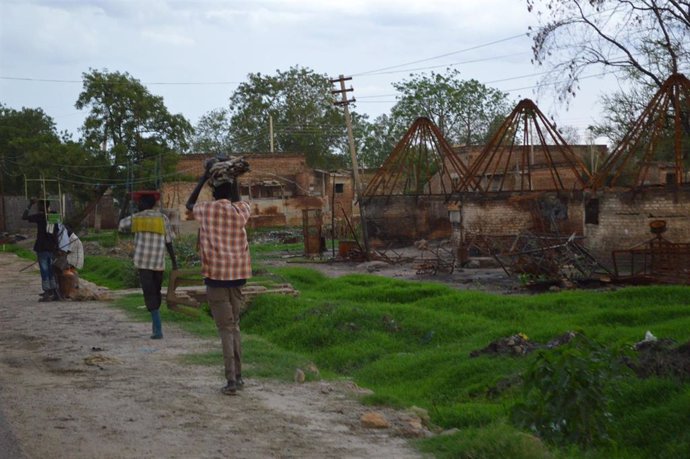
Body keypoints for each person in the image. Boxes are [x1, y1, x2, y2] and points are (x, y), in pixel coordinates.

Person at [186, 157, 251, 396]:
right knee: (235, 327)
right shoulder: (241, 211)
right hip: (238, 278)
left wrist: (204, 178)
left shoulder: (206, 211)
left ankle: (231, 380)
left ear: (213, 193)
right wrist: (234, 179)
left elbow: (189, 203)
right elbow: (238, 200)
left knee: (225, 328)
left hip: (215, 279)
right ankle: (240, 376)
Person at [118, 191, 178, 339]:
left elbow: (120, 225)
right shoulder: (163, 218)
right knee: (155, 294)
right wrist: (175, 263)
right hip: (158, 263)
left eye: (139, 203)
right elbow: (169, 242)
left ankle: (157, 329)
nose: (138, 205)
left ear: (145, 204)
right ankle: (157, 328)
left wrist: (126, 203)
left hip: (143, 263)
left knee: (149, 293)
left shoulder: (137, 218)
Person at [22, 199, 59, 301]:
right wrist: (57, 246)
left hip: (42, 247)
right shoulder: (54, 216)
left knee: (44, 270)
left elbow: (24, 217)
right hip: (52, 247)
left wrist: (29, 204)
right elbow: (56, 232)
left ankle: (47, 292)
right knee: (51, 269)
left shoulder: (39, 217)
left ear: (41, 207)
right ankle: (54, 291)